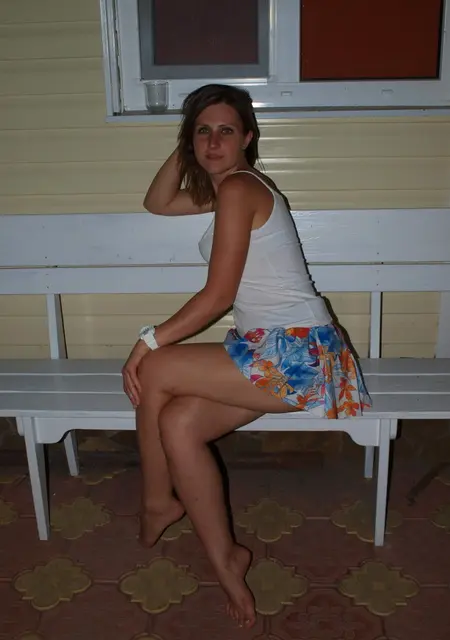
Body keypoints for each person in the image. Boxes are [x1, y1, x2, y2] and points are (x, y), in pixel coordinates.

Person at [122, 83, 371, 628]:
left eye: (226, 131)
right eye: (203, 132)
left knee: (157, 365)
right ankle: (226, 559)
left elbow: (218, 297)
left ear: (248, 139)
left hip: (299, 355)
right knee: (178, 423)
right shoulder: (228, 189)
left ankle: (157, 501)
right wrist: (187, 143)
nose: (213, 142)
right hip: (272, 354)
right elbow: (157, 202)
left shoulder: (239, 188)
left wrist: (147, 340)